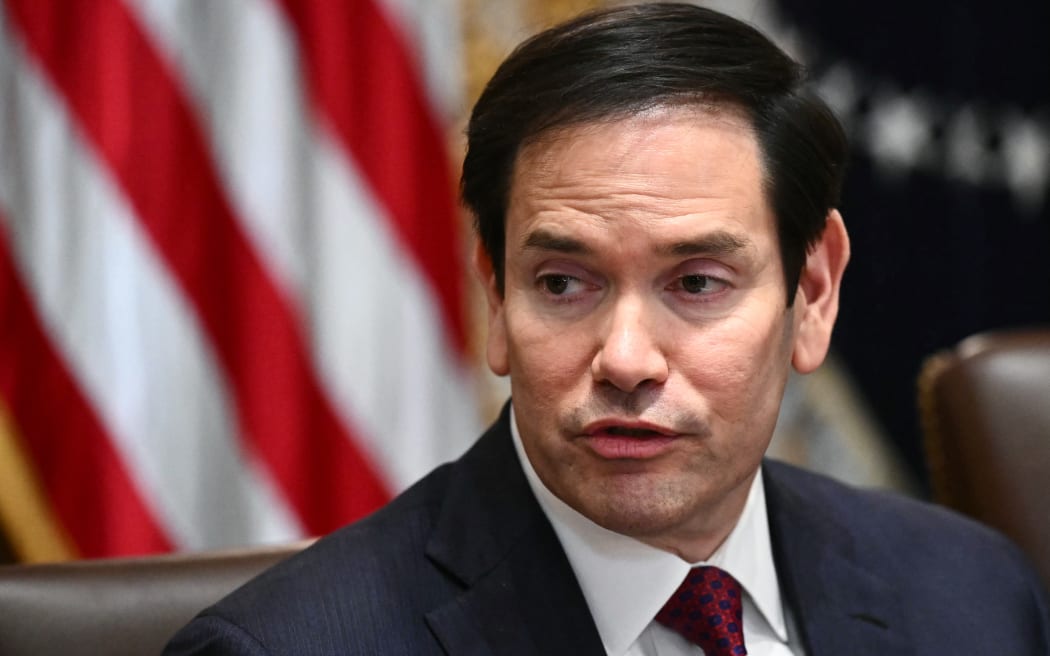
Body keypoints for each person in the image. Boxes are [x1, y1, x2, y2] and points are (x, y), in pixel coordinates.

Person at [165, 4, 1050, 654]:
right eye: (562, 283)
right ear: (496, 297)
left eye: (697, 283)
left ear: (811, 293)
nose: (626, 359)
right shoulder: (287, 650)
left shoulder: (973, 599)